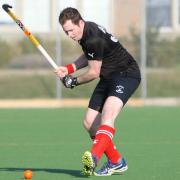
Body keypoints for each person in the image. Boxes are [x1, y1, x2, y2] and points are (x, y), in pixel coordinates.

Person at [55, 7, 141, 176]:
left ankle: (93, 158)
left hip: (126, 74)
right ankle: (116, 161)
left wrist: (73, 81)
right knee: (89, 122)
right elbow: (89, 56)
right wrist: (69, 69)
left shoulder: (92, 37)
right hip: (108, 76)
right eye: (66, 32)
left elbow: (93, 72)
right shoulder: (85, 32)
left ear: (80, 23)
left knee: (108, 116)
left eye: (71, 30)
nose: (70, 35)